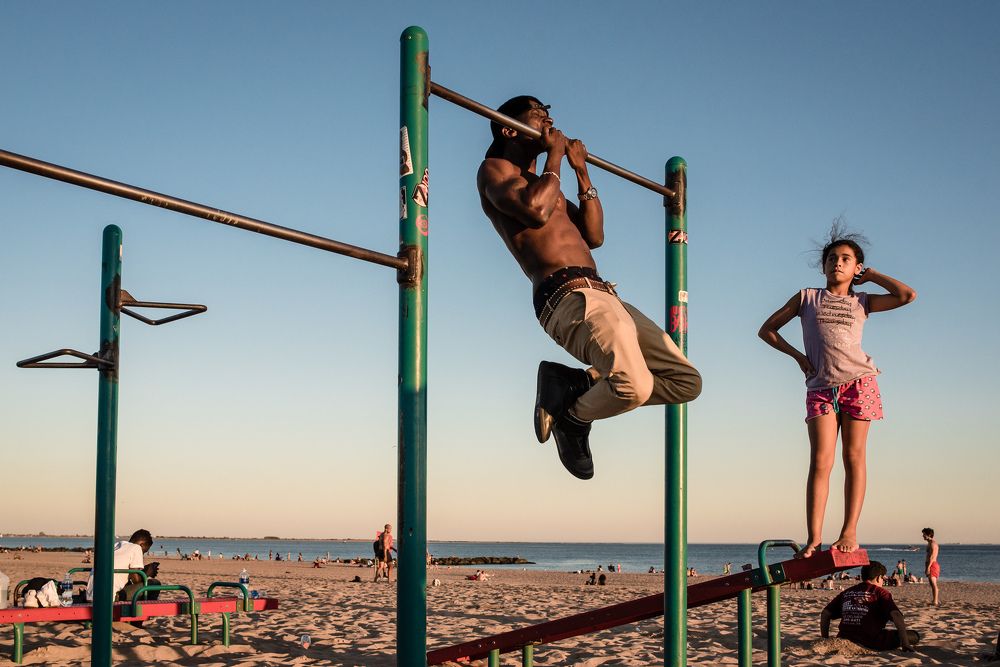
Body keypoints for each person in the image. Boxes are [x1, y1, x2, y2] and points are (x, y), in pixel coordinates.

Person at [476, 95, 702, 480]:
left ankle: (577, 381)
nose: (549, 123)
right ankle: (573, 420)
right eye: (539, 116)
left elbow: (594, 236)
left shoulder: (551, 182)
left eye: (550, 117)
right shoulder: (495, 171)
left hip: (604, 293)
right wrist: (556, 159)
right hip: (565, 296)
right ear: (509, 128)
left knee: (686, 382)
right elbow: (536, 211)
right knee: (633, 384)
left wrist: (582, 173)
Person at [758, 223, 916, 557]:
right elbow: (767, 330)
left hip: (859, 383)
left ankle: (849, 531)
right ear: (824, 265)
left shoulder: (863, 301)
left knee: (854, 457)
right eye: (832, 258)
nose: (837, 263)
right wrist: (798, 357)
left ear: (856, 268)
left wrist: (871, 275)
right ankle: (814, 539)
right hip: (819, 387)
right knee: (820, 461)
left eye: (846, 259)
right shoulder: (806, 298)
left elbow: (906, 295)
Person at [820, 561, 918, 652]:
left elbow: (825, 614)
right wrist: (905, 644)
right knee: (914, 636)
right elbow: (896, 615)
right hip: (870, 641)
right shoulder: (880, 592)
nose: (883, 582)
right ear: (878, 577)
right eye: (883, 579)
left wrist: (825, 639)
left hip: (843, 638)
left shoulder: (847, 592)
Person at [86, 529, 161, 626]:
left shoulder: (117, 545)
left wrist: (145, 569)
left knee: (129, 584)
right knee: (154, 584)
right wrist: (148, 573)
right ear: (141, 545)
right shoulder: (136, 548)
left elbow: (124, 572)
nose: (143, 554)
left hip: (91, 596)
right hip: (109, 598)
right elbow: (136, 580)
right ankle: (137, 622)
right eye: (144, 551)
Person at [922, 527, 941, 605]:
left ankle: (935, 601)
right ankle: (935, 600)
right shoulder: (929, 543)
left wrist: (928, 568)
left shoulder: (933, 544)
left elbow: (932, 557)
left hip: (932, 565)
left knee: (933, 584)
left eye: (924, 534)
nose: (923, 536)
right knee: (931, 584)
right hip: (930, 564)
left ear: (929, 534)